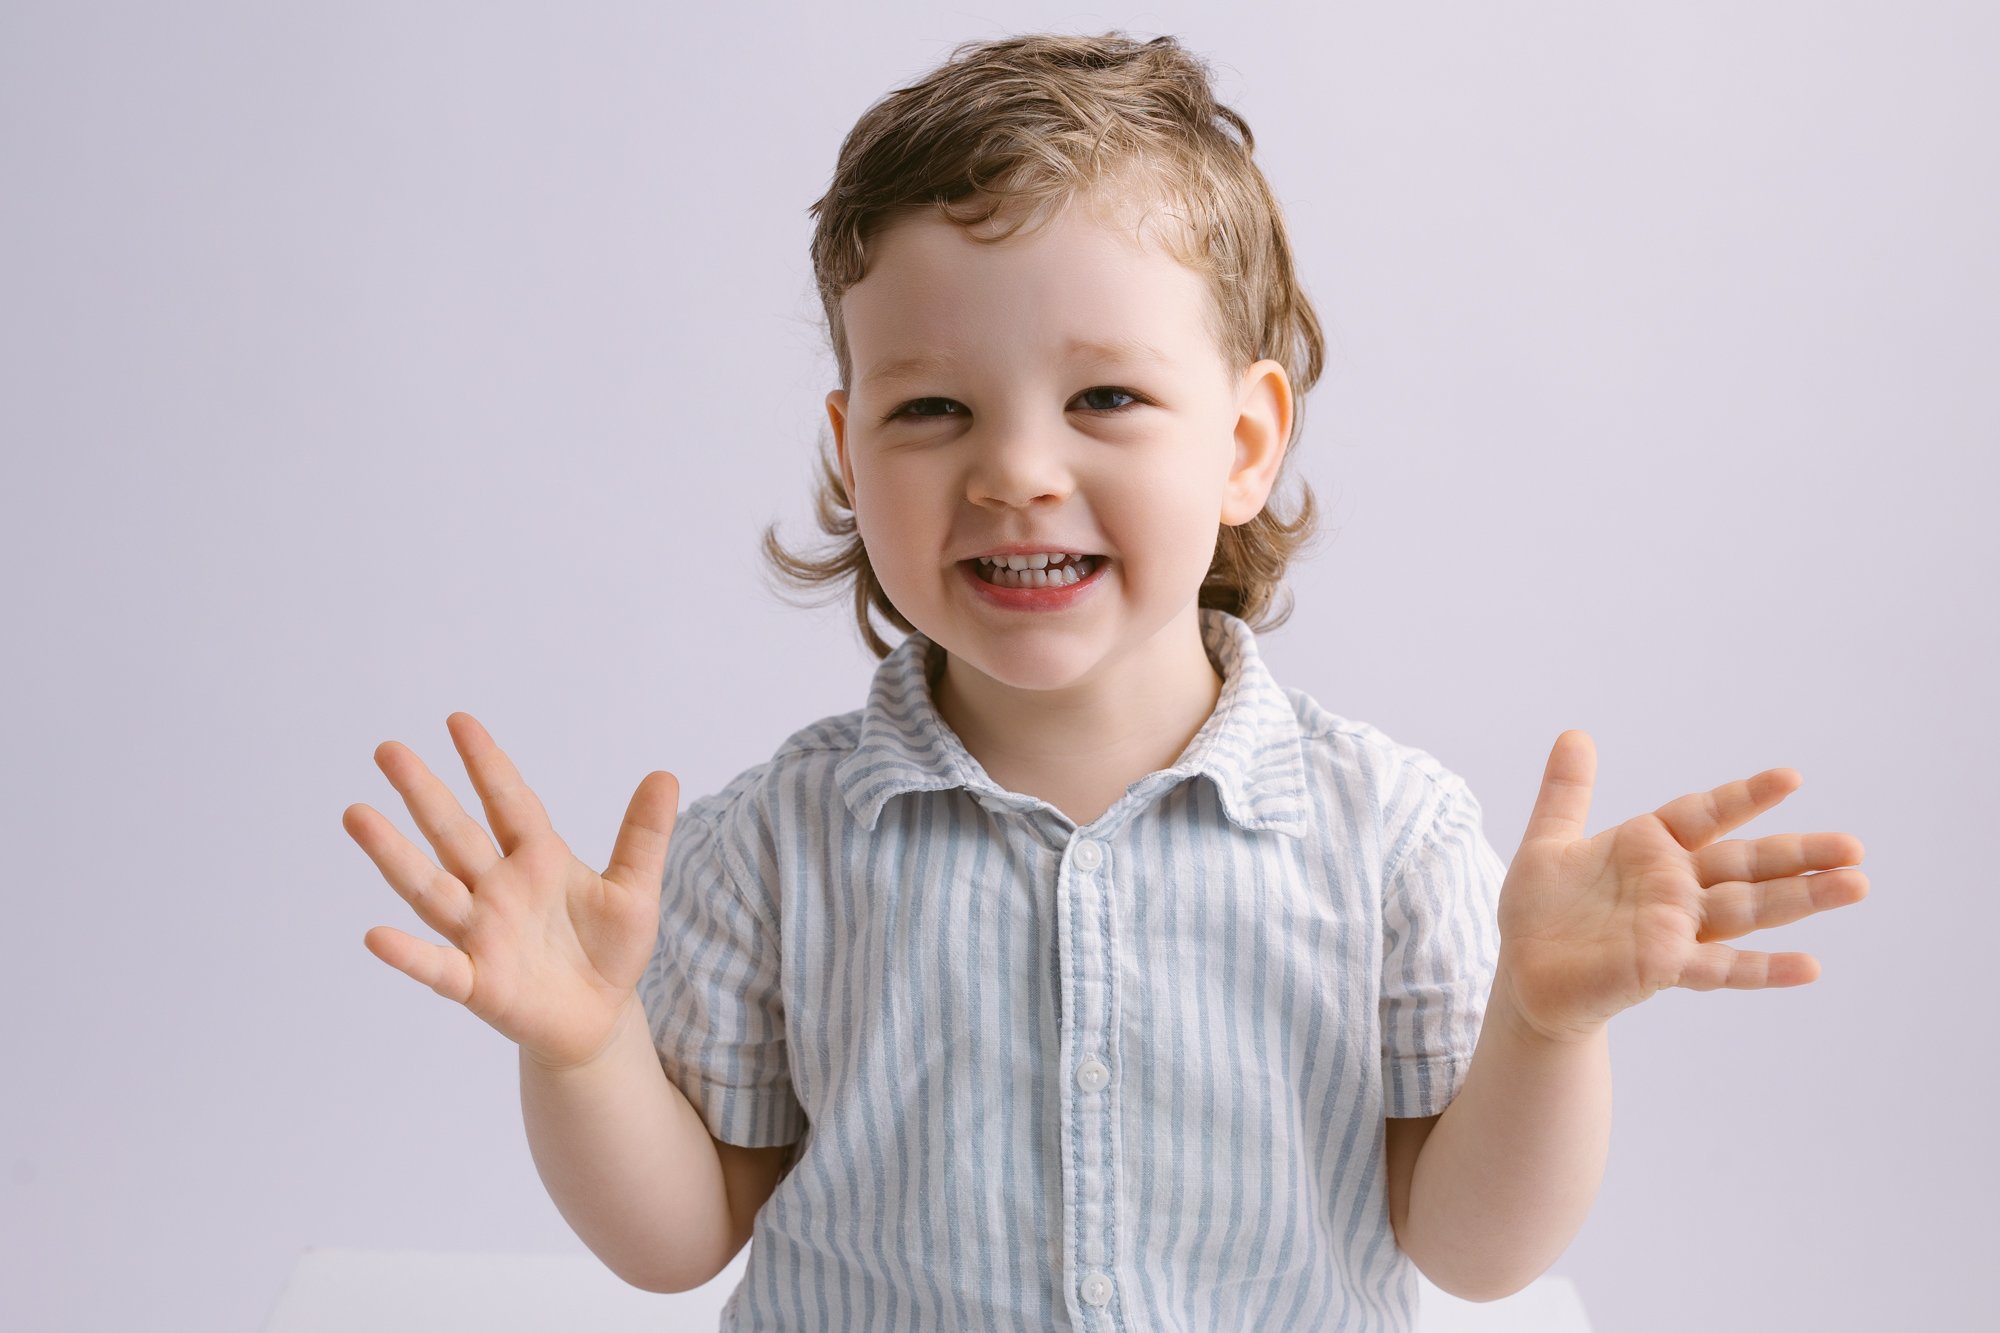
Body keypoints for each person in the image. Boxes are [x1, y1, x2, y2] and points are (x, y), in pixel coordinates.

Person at [343, 30, 1870, 1332]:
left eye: (1106, 397)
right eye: (931, 405)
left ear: (1246, 441)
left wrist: (1543, 1030)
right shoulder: (781, 842)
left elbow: (1470, 1250)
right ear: (847, 448)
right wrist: (583, 1044)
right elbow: (679, 1239)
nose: (1015, 470)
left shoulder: (1386, 833)